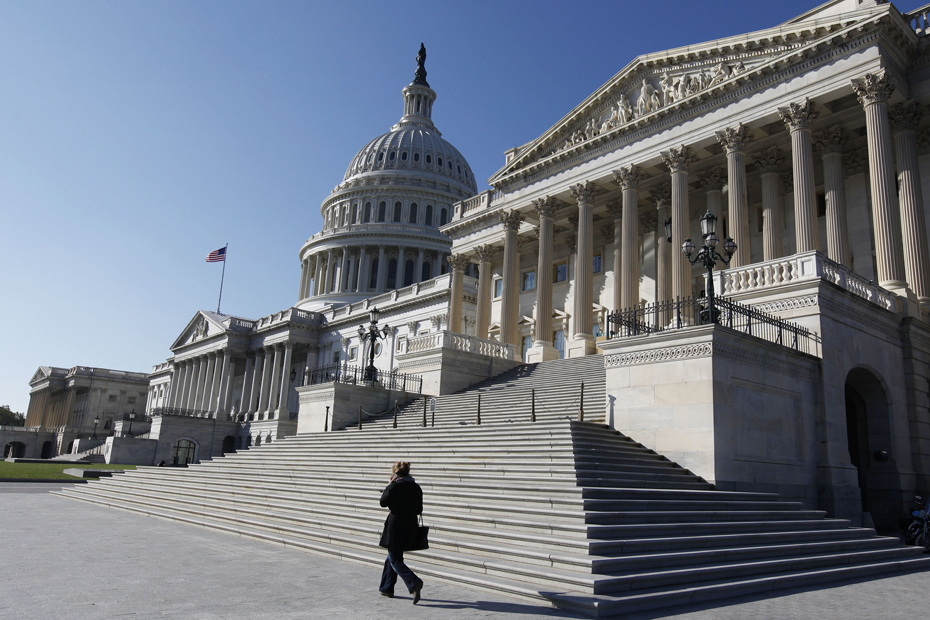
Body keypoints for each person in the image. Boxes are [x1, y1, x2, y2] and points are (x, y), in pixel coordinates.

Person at [378, 460, 424, 603]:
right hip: (410, 524)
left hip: (396, 525)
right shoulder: (416, 487)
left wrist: (390, 485)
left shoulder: (395, 486)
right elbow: (419, 509)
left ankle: (414, 582)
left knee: (395, 559)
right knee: (391, 556)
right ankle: (387, 588)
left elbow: (382, 503)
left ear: (395, 474)